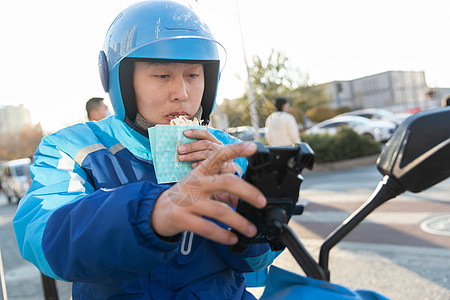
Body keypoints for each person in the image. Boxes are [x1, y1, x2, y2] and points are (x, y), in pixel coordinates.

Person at [13, 1, 279, 299]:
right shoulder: (73, 148)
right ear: (122, 81)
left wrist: (241, 208)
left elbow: (258, 261)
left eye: (193, 75)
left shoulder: (230, 151)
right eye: (162, 75)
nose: (181, 94)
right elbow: (43, 236)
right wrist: (147, 215)